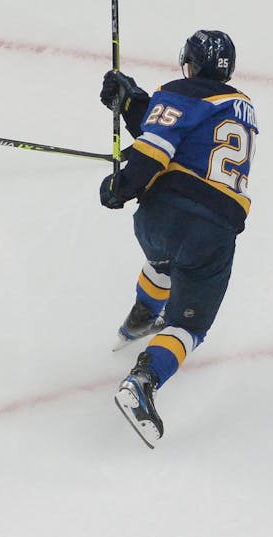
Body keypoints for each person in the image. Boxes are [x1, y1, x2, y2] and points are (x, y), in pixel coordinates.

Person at [99, 29, 256, 447]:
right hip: (212, 231)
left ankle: (140, 315)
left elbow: (157, 147)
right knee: (190, 325)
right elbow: (183, 140)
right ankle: (143, 381)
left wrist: (124, 185)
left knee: (164, 258)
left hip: (158, 221)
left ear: (190, 63)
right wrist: (134, 104)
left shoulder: (180, 92)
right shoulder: (241, 108)